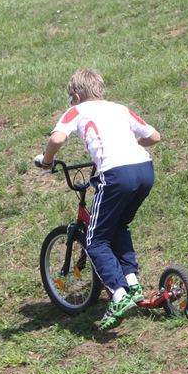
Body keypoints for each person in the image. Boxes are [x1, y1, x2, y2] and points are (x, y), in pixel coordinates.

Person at [34, 69, 161, 330]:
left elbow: (57, 138)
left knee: (95, 239)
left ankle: (118, 294)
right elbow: (153, 136)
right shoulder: (119, 108)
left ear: (77, 96)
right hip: (144, 170)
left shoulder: (77, 111)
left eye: (71, 99)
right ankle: (133, 285)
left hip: (116, 174)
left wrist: (46, 162)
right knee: (118, 227)